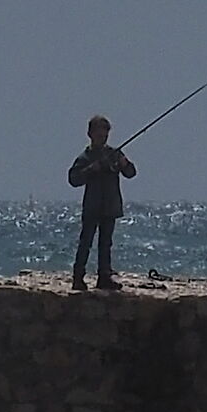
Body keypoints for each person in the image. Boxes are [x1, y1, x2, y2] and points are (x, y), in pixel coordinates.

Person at [67, 115, 137, 291]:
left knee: (106, 243)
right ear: (90, 134)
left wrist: (125, 163)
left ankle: (104, 277)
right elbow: (74, 179)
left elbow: (131, 173)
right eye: (99, 134)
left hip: (110, 206)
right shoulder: (85, 157)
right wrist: (92, 169)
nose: (102, 138)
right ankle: (78, 276)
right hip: (92, 206)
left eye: (105, 135)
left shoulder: (115, 154)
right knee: (86, 242)